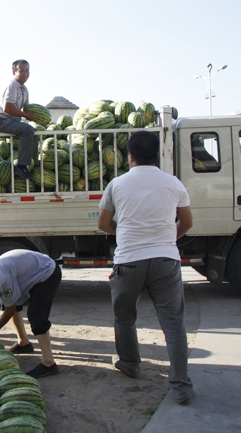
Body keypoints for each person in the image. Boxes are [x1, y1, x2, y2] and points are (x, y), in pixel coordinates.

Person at [97, 130, 194, 405]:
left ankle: (130, 364)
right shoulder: (173, 183)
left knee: (125, 318)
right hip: (166, 261)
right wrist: (165, 240)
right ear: (158, 155)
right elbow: (186, 222)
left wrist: (128, 235)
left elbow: (103, 224)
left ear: (129, 156)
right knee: (174, 324)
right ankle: (181, 387)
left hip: (128, 261)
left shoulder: (117, 184)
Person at [0, 249, 62, 378]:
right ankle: (24, 343)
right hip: (34, 271)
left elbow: (10, 310)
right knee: (11, 303)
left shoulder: (1, 277)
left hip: (47, 273)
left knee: (36, 317)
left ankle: (49, 363)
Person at [0, 59, 39, 180]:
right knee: (27, 131)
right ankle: (21, 167)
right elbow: (7, 108)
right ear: (14, 72)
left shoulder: (25, 89)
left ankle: (33, 165)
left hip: (11, 122)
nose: (25, 73)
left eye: (27, 70)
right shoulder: (13, 85)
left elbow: (26, 110)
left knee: (34, 134)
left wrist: (39, 118)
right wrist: (27, 116)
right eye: (22, 70)